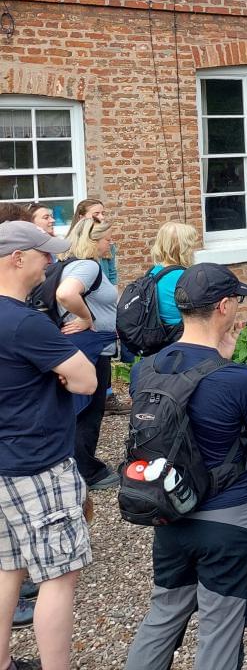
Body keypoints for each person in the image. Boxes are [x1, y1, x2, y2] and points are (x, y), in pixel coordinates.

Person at [123, 264, 247, 670]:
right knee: (220, 628)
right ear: (224, 306)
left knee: (163, 616)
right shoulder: (238, 379)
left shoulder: (145, 369)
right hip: (229, 518)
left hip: (169, 511)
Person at [0, 222, 98, 670]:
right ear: (17, 258)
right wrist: (59, 372)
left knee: (8, 568)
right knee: (59, 577)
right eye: (43, 254)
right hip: (37, 463)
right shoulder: (25, 323)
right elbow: (86, 380)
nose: (50, 262)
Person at [57, 217, 120, 491]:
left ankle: (76, 467)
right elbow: (66, 294)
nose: (111, 243)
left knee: (80, 408)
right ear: (92, 241)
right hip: (91, 347)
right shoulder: (87, 266)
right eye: (107, 238)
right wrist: (86, 317)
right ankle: (87, 472)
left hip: (84, 346)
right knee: (89, 409)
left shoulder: (70, 265)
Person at [147, 222, 201, 331]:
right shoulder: (186, 277)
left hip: (158, 333)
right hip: (181, 334)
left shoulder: (153, 271)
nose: (193, 250)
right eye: (190, 246)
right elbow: (201, 313)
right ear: (183, 249)